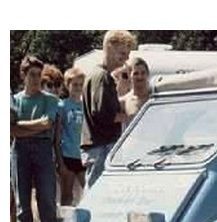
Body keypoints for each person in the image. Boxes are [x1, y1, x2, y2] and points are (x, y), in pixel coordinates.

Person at [11, 55, 60, 222]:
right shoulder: (15, 100)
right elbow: (10, 130)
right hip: (20, 149)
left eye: (39, 75)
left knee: (47, 199)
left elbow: (47, 123)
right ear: (23, 75)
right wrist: (31, 126)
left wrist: (19, 126)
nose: (36, 79)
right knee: (22, 199)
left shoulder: (50, 99)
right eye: (31, 75)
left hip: (43, 149)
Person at [81, 30, 136, 188]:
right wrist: (130, 116)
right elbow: (102, 113)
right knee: (96, 194)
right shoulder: (103, 77)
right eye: (123, 53)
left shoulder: (97, 74)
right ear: (110, 48)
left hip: (97, 146)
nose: (126, 58)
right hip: (101, 147)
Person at [57, 67, 86, 205]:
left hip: (82, 154)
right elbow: (59, 132)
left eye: (81, 84)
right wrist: (59, 160)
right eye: (75, 84)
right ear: (67, 85)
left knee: (88, 188)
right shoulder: (62, 105)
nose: (78, 88)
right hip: (68, 153)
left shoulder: (85, 105)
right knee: (67, 194)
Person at [119, 57, 150, 130]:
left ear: (148, 74)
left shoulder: (155, 96)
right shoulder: (124, 101)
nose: (140, 77)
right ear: (130, 75)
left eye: (143, 73)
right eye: (136, 73)